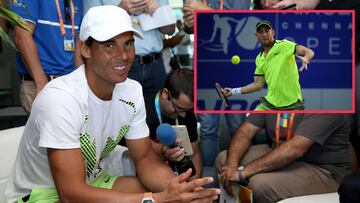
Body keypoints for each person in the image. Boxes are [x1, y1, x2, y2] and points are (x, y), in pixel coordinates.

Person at [4, 6, 220, 203]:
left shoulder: (132, 91)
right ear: (85, 49)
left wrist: (182, 192)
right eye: (109, 45)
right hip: (41, 194)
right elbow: (70, 194)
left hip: (95, 182)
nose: (124, 56)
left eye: (129, 43)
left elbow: (144, 160)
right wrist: (155, 200)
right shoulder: (60, 99)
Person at [216, 113, 352, 203]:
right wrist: (232, 166)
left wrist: (242, 173)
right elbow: (245, 131)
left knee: (258, 185)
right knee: (224, 159)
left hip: (324, 170)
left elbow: (295, 149)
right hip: (282, 152)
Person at [84, 0, 175, 105]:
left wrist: (159, 12)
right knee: (119, 111)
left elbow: (170, 30)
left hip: (155, 63)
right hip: (119, 64)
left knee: (158, 114)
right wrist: (120, 10)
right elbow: (90, 28)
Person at [223, 20, 315, 110]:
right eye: (260, 32)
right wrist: (233, 91)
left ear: (273, 33)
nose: (264, 34)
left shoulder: (285, 45)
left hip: (291, 104)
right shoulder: (259, 59)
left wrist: (306, 58)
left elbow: (308, 51)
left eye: (267, 31)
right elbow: (258, 85)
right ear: (256, 36)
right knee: (250, 121)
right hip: (270, 104)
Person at [11, 0, 83, 113]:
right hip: (41, 83)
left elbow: (78, 44)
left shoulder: (78, 1)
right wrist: (41, 82)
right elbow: (21, 36)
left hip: (71, 84)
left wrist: (81, 82)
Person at [145, 68, 201, 180]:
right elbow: (141, 150)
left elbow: (195, 154)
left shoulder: (187, 113)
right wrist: (162, 150)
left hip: (178, 173)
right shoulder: (143, 111)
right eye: (179, 109)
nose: (183, 115)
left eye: (188, 110)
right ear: (166, 94)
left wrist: (193, 185)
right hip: (150, 171)